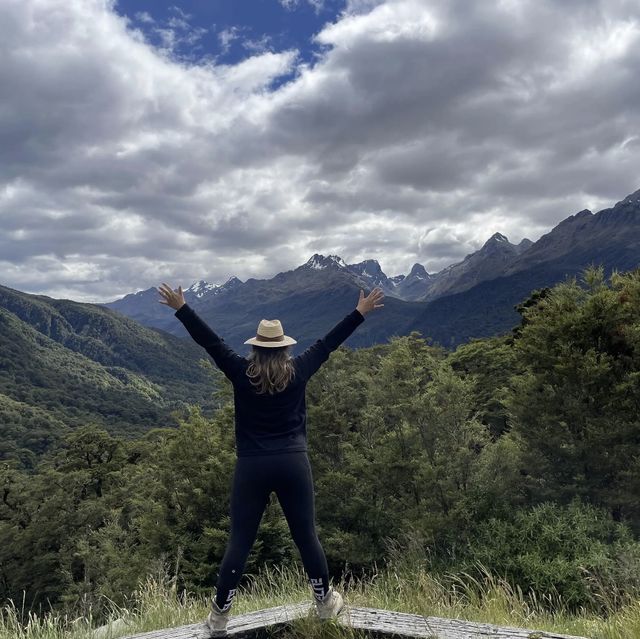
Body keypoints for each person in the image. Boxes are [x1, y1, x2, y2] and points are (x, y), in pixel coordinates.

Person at [157, 281, 384, 637]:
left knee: (239, 542)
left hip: (252, 466)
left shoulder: (239, 372)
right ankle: (325, 603)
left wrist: (181, 308)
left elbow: (210, 342)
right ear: (283, 348)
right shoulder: (299, 370)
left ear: (256, 349)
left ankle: (219, 618)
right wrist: (360, 312)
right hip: (293, 463)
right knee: (306, 536)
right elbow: (328, 343)